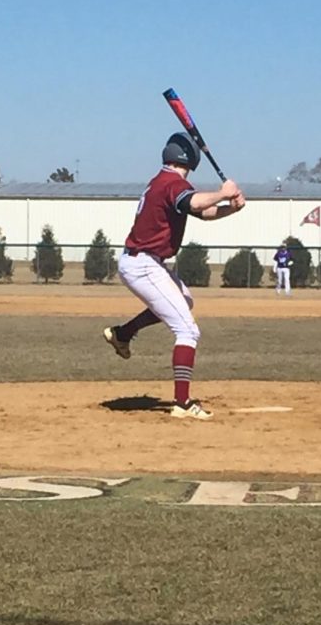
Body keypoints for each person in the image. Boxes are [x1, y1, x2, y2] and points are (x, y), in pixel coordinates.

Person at [103, 132, 246, 420]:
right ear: (191, 159)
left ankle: (123, 333)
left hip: (145, 262)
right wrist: (224, 192)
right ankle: (182, 403)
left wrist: (230, 208)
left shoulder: (162, 181)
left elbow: (201, 213)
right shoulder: (172, 184)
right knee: (188, 331)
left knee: (184, 301)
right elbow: (194, 204)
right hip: (143, 264)